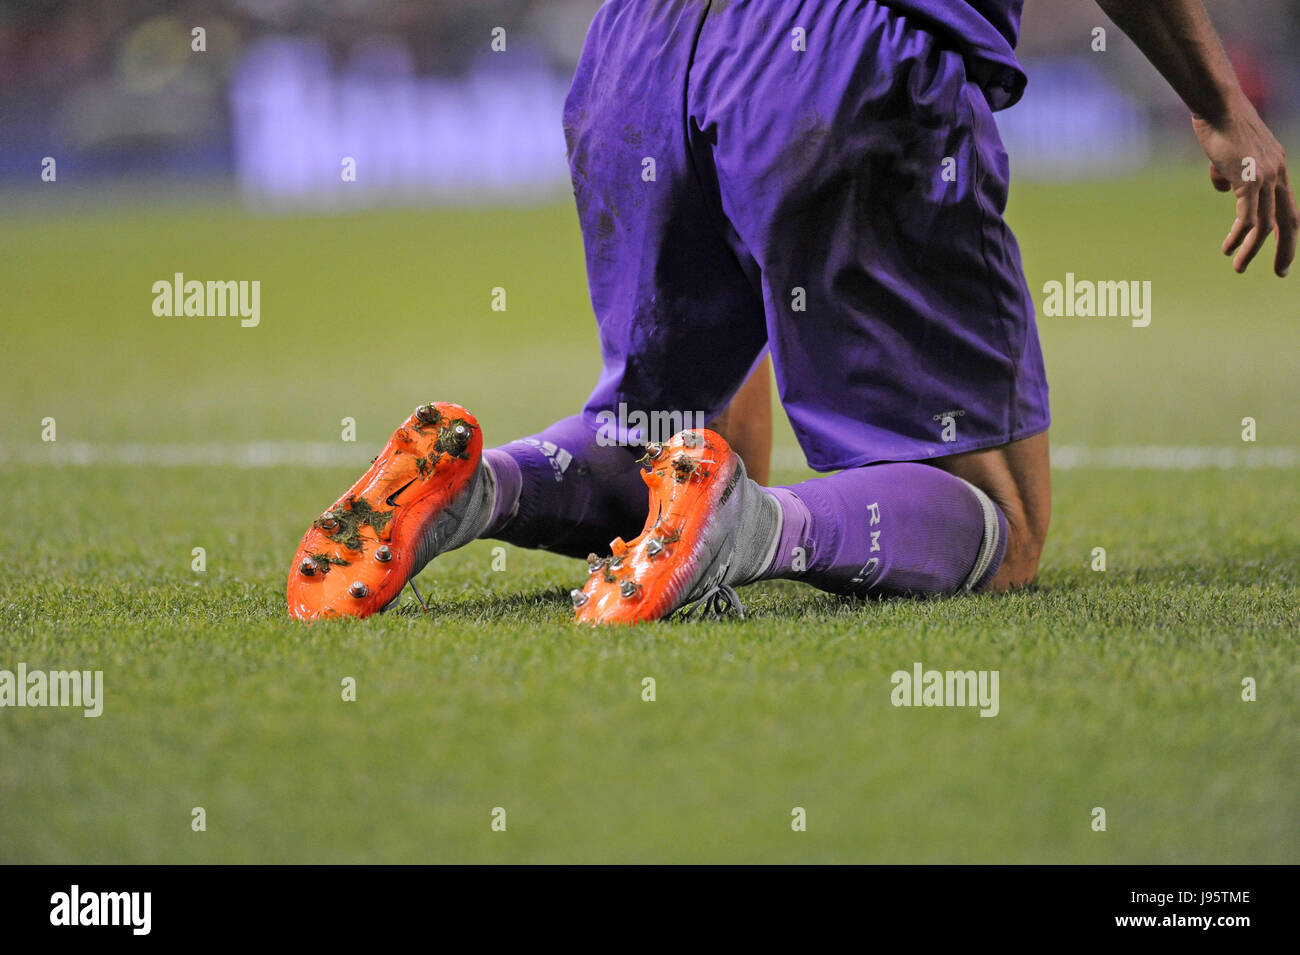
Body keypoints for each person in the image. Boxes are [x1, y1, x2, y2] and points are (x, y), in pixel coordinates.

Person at [288, 0, 1295, 623]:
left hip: (637, 54)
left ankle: (479, 486)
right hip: (838, 40)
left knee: (658, 432)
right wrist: (1218, 103)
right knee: (1005, 524)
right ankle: (752, 531)